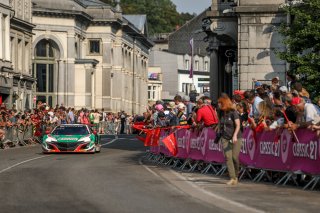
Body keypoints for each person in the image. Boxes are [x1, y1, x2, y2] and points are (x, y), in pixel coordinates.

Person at [218, 95, 242, 185]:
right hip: (225, 137)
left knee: (234, 157)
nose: (219, 105)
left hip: (236, 137)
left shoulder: (233, 112)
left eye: (220, 103)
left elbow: (238, 125)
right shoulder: (221, 112)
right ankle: (232, 177)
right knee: (228, 157)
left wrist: (235, 135)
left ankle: (236, 175)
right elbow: (220, 123)